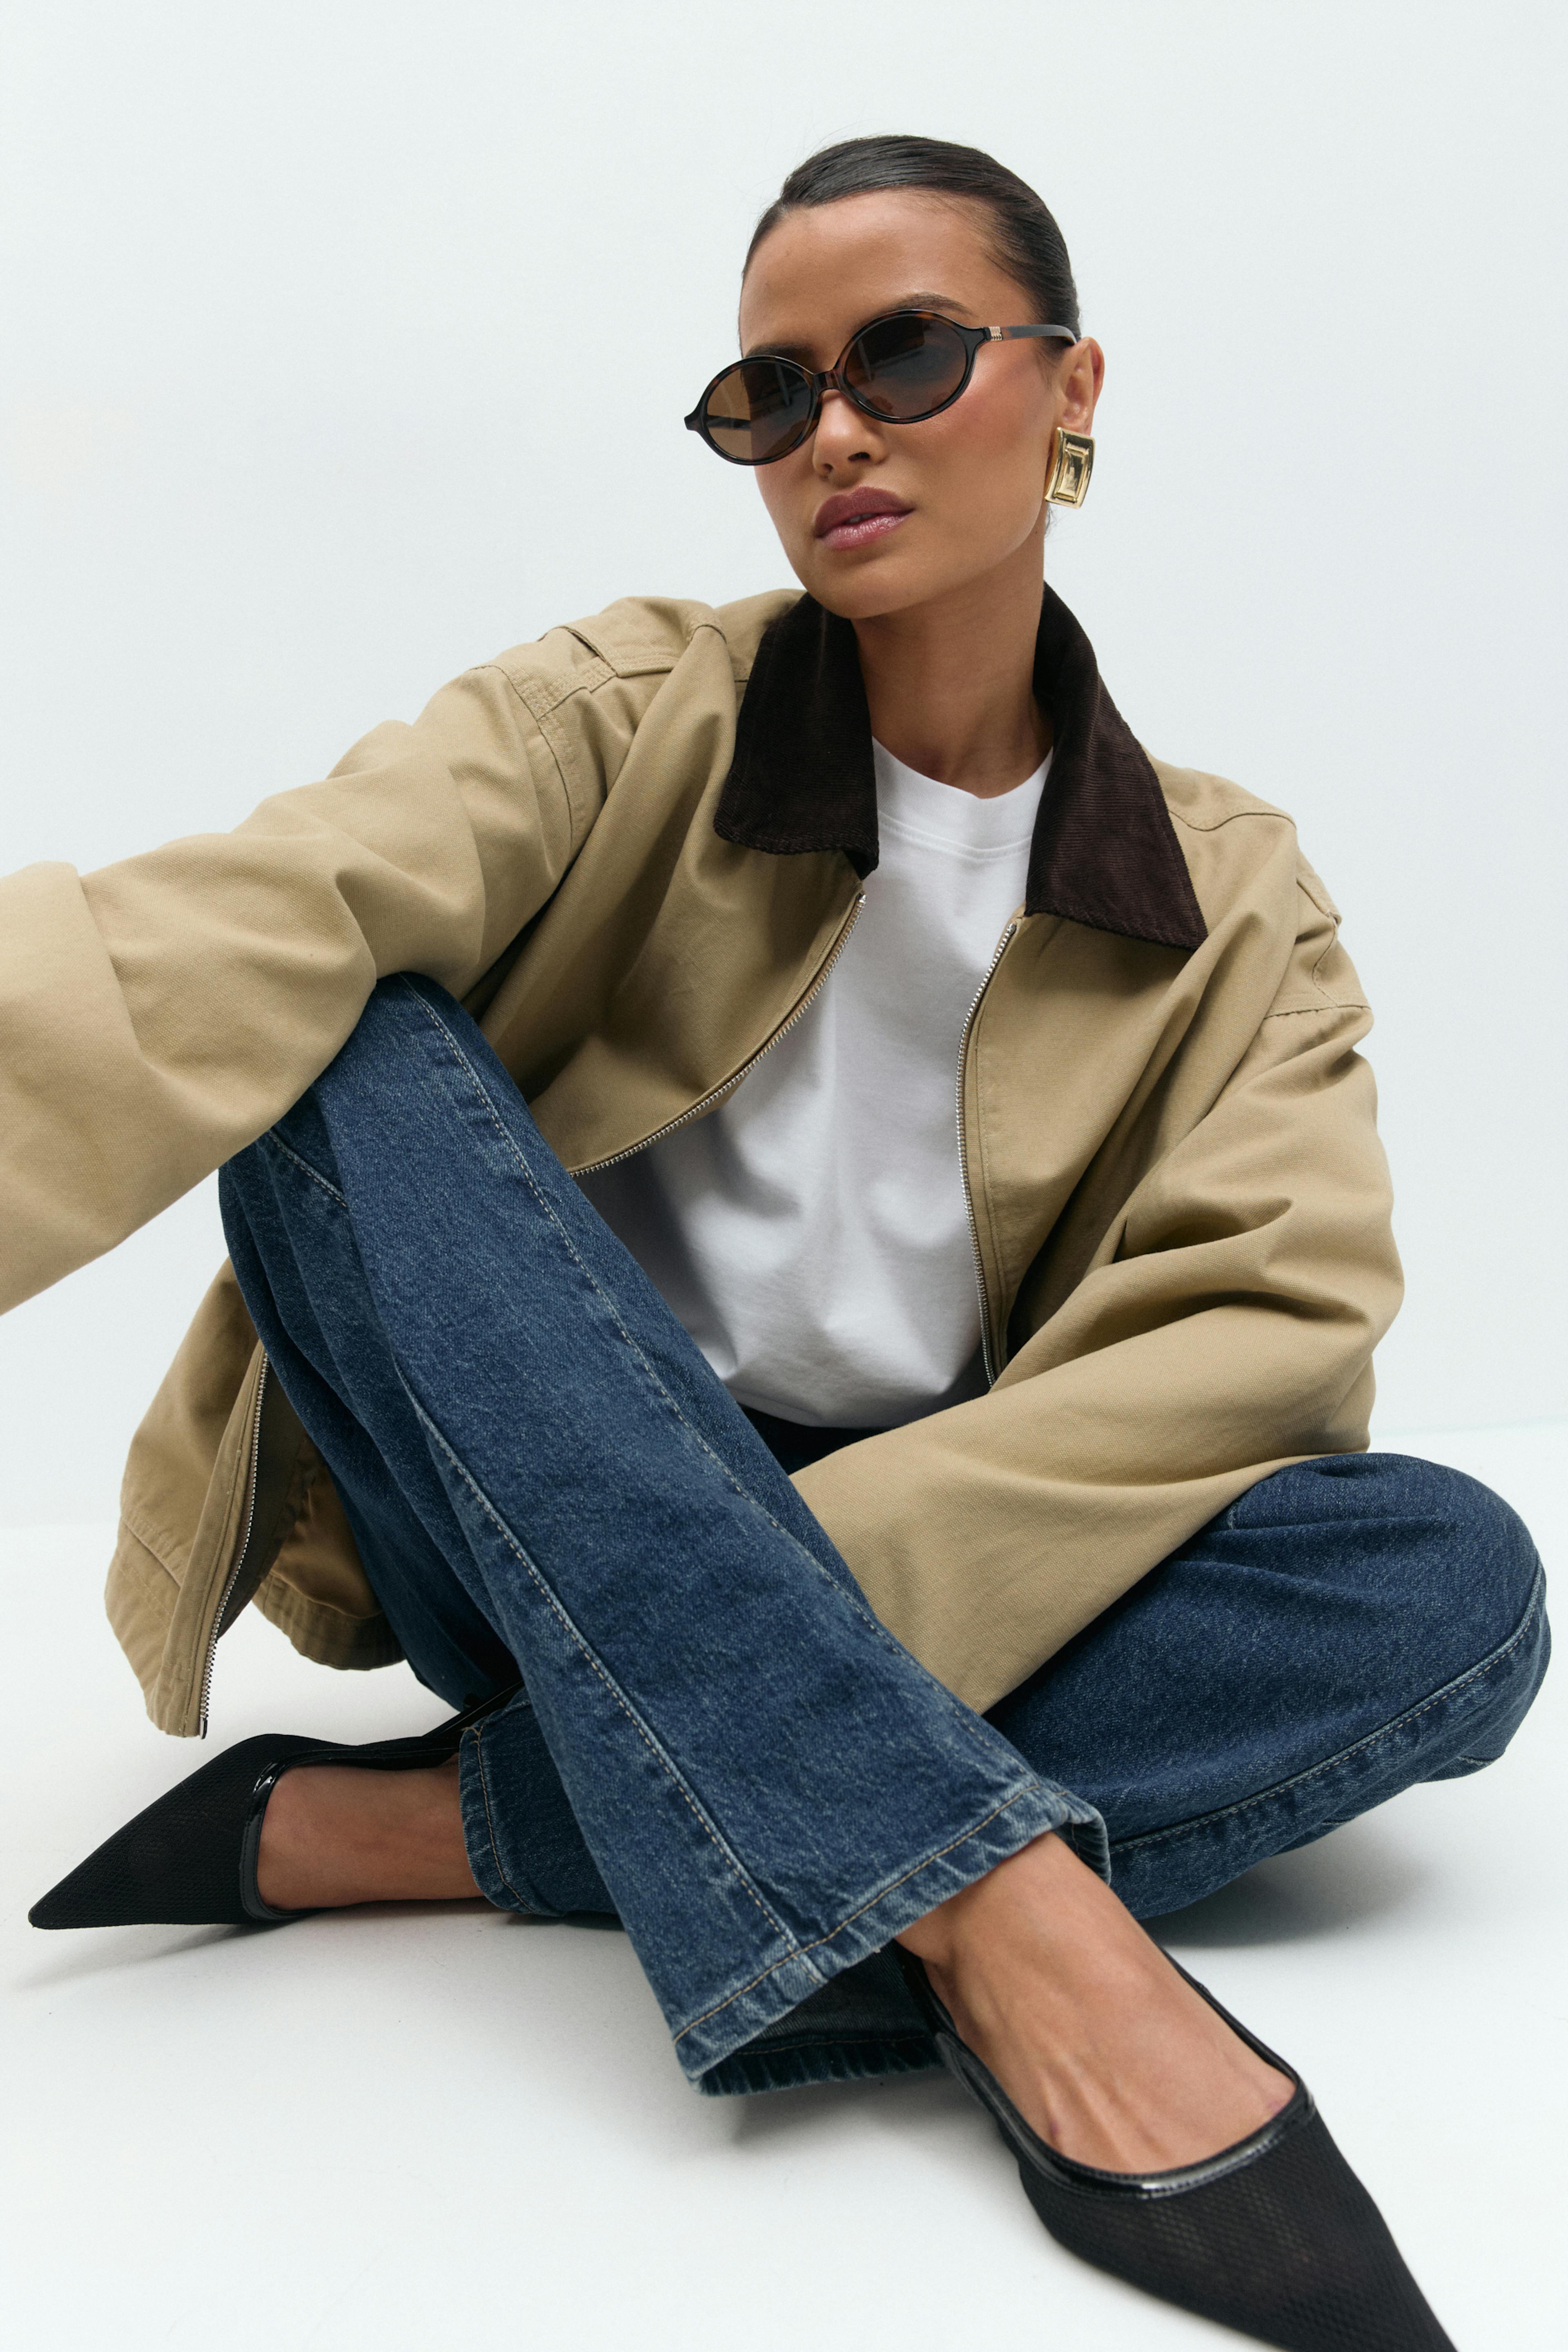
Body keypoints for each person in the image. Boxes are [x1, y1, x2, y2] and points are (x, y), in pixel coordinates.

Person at [9, 135, 1546, 2350]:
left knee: (1451, 1587)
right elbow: (231, 934)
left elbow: (1257, 1335)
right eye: (771, 392)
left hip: (942, 1548)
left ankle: (429, 1831)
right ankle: (1002, 1919)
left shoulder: (1233, 895)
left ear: (1072, 384)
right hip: (537, 1516)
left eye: (905, 357)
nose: (834, 432)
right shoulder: (619, 709)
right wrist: (756, 1628)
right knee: (341, 1067)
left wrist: (778, 1619)